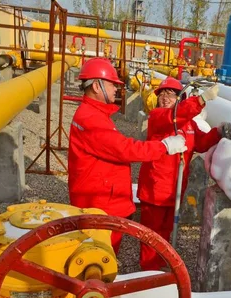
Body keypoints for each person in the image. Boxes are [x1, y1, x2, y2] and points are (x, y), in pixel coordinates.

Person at [68, 58, 187, 254]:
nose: (117, 89)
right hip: (101, 203)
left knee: (100, 255)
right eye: (112, 84)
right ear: (97, 86)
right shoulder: (91, 118)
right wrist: (164, 146)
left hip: (101, 197)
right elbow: (125, 149)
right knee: (100, 255)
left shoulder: (94, 114)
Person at [137, 77, 231, 271]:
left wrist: (218, 132)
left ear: (180, 98)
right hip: (154, 191)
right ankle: (147, 272)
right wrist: (201, 100)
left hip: (175, 191)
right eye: (161, 94)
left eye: (170, 94)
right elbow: (173, 117)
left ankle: (160, 268)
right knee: (150, 235)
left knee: (165, 233)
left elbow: (202, 142)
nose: (164, 98)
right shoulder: (158, 117)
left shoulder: (188, 124)